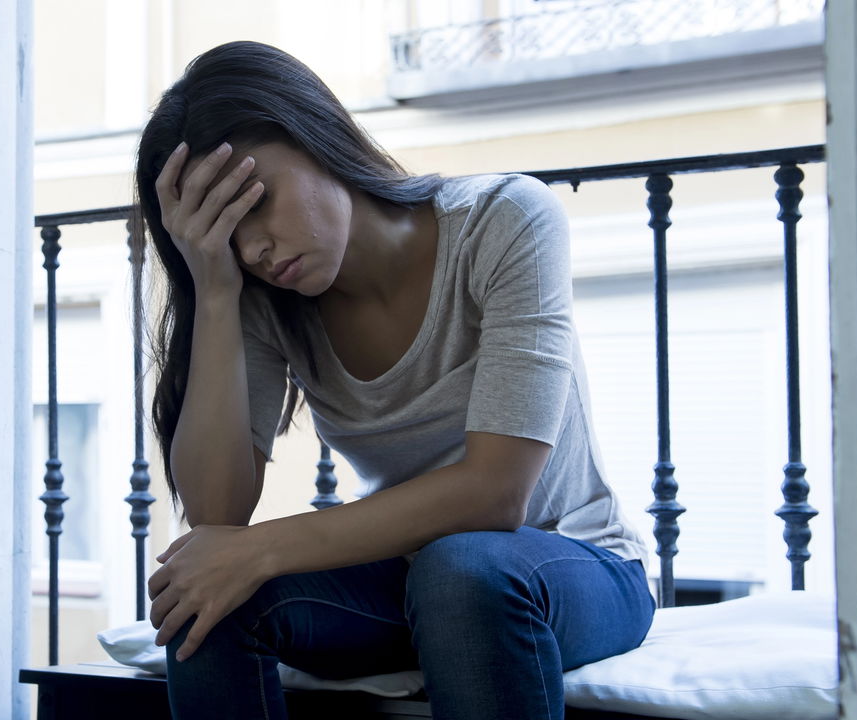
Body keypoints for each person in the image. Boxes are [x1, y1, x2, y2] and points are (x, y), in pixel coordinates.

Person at [133, 40, 654, 720]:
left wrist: (259, 551)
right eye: (222, 236)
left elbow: (496, 493)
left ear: (316, 137)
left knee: (460, 571)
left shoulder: (503, 220)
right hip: (415, 581)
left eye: (256, 205)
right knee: (202, 599)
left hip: (571, 565)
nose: (252, 248)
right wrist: (215, 291)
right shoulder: (261, 296)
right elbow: (217, 515)